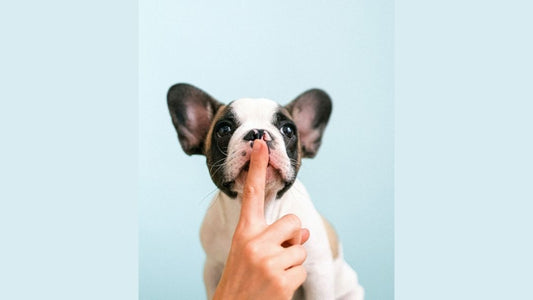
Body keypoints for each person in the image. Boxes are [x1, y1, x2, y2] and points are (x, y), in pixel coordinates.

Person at [213, 140, 310, 299]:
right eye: (225, 130)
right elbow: (213, 269)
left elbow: (321, 270)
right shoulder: (212, 229)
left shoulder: (304, 211)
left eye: (286, 130)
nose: (260, 141)